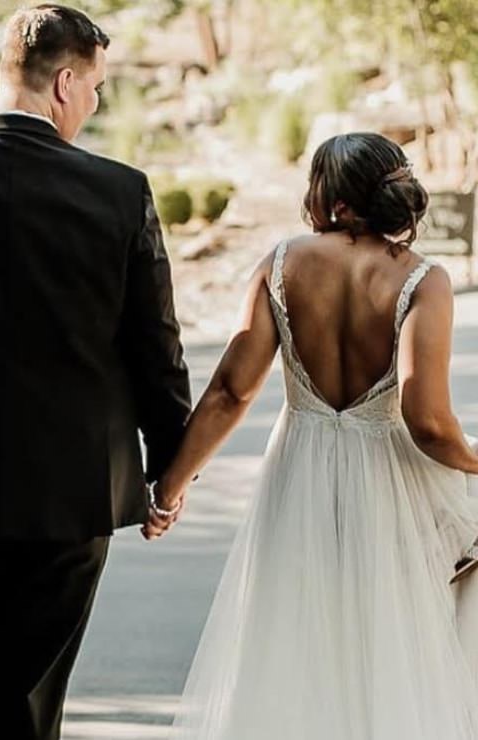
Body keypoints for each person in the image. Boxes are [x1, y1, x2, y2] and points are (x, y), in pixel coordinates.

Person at [146, 133, 478, 739]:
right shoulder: (422, 280)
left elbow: (230, 391)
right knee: (389, 649)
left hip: (298, 477)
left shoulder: (282, 264)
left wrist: (170, 486)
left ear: (336, 201)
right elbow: (428, 422)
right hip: (390, 490)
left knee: (295, 642)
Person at [0, 5, 190, 739]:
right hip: (67, 498)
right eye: (96, 87)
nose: (95, 102)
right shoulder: (119, 192)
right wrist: (172, 467)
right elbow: (155, 348)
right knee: (29, 705)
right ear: (65, 82)